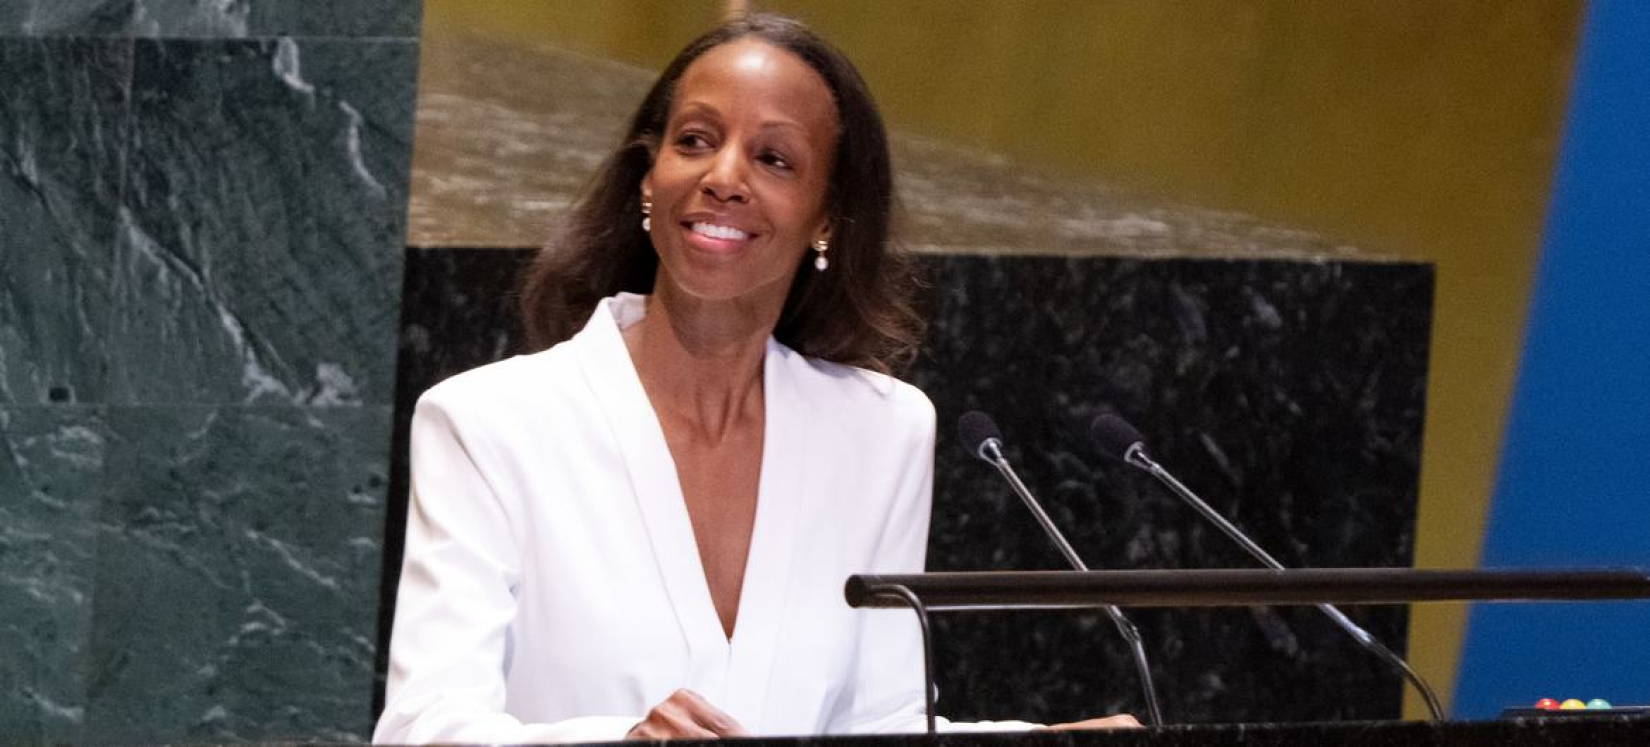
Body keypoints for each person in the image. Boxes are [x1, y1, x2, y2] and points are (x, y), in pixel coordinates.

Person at [374, 13, 1139, 742]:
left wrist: (1042, 741)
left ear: (828, 217)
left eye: (773, 159)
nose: (724, 176)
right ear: (649, 178)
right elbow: (423, 726)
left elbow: (880, 726)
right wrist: (623, 738)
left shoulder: (882, 429)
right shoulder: (486, 421)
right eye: (696, 140)